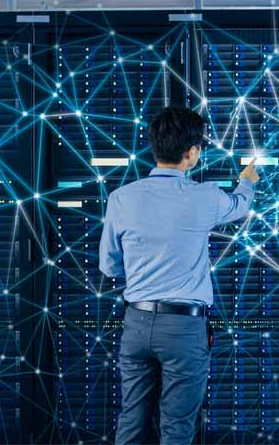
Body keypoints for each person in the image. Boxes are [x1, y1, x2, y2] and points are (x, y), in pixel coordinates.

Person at [99, 106, 260, 445]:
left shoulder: (121, 198)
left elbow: (109, 267)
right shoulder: (204, 196)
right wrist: (247, 181)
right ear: (191, 153)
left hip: (136, 323)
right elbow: (240, 205)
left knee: (131, 419)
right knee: (177, 428)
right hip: (185, 329)